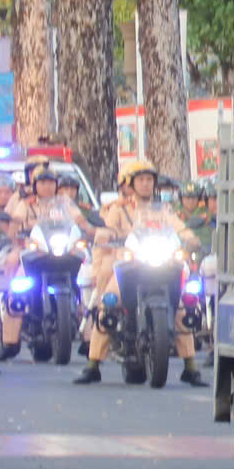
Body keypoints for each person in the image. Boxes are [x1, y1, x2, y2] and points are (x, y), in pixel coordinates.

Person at [77, 156, 205, 387]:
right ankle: (93, 364)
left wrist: (190, 238)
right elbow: (103, 231)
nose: (146, 184)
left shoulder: (163, 209)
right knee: (109, 302)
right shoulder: (118, 210)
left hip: (162, 264)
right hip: (128, 267)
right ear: (129, 183)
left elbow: (180, 228)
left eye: (149, 179)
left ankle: (190, 367)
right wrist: (108, 235)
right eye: (141, 180)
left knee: (181, 306)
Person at [0, 158, 94, 358]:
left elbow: (81, 222)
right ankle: (9, 341)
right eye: (42, 182)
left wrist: (93, 230)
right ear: (34, 185)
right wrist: (16, 234)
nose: (47, 186)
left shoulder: (65, 203)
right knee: (16, 283)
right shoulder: (26, 204)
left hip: (63, 250)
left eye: (51, 182)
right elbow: (13, 227)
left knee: (88, 283)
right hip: (33, 251)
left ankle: (90, 341)